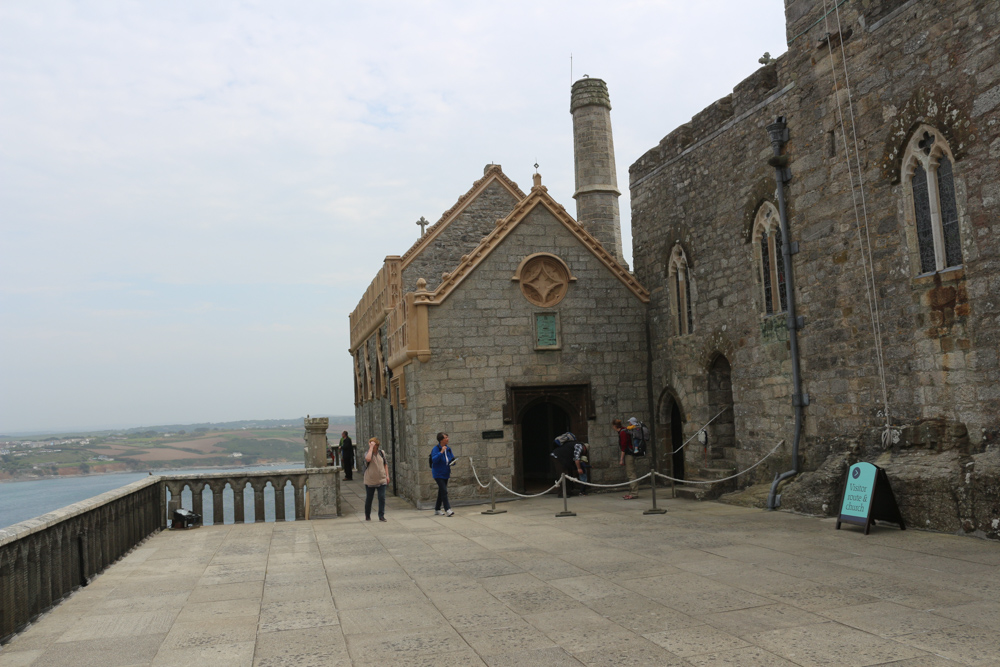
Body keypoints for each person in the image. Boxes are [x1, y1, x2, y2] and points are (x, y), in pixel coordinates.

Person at [363, 437, 390, 521]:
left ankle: (381, 515)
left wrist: (387, 475)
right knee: (369, 498)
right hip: (370, 480)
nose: (371, 445)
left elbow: (385, 464)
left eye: (373, 444)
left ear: (377, 445)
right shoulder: (367, 453)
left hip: (381, 479)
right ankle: (367, 515)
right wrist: (371, 448)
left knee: (382, 498)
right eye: (370, 443)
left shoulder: (381, 453)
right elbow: (368, 459)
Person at [431, 432, 455, 516]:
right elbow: (434, 460)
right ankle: (447, 509)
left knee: (441, 491)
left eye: (447, 437)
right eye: (445, 437)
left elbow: (451, 458)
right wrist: (441, 452)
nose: (447, 439)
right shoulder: (436, 449)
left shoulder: (448, 449)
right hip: (438, 474)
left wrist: (453, 462)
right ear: (441, 440)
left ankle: (437, 509)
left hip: (446, 473)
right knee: (444, 491)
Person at [614, 419, 638, 499]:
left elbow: (624, 447)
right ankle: (631, 492)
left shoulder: (623, 432)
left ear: (614, 426)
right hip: (629, 453)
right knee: (630, 473)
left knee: (631, 473)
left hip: (629, 454)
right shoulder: (624, 430)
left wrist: (621, 459)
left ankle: (634, 493)